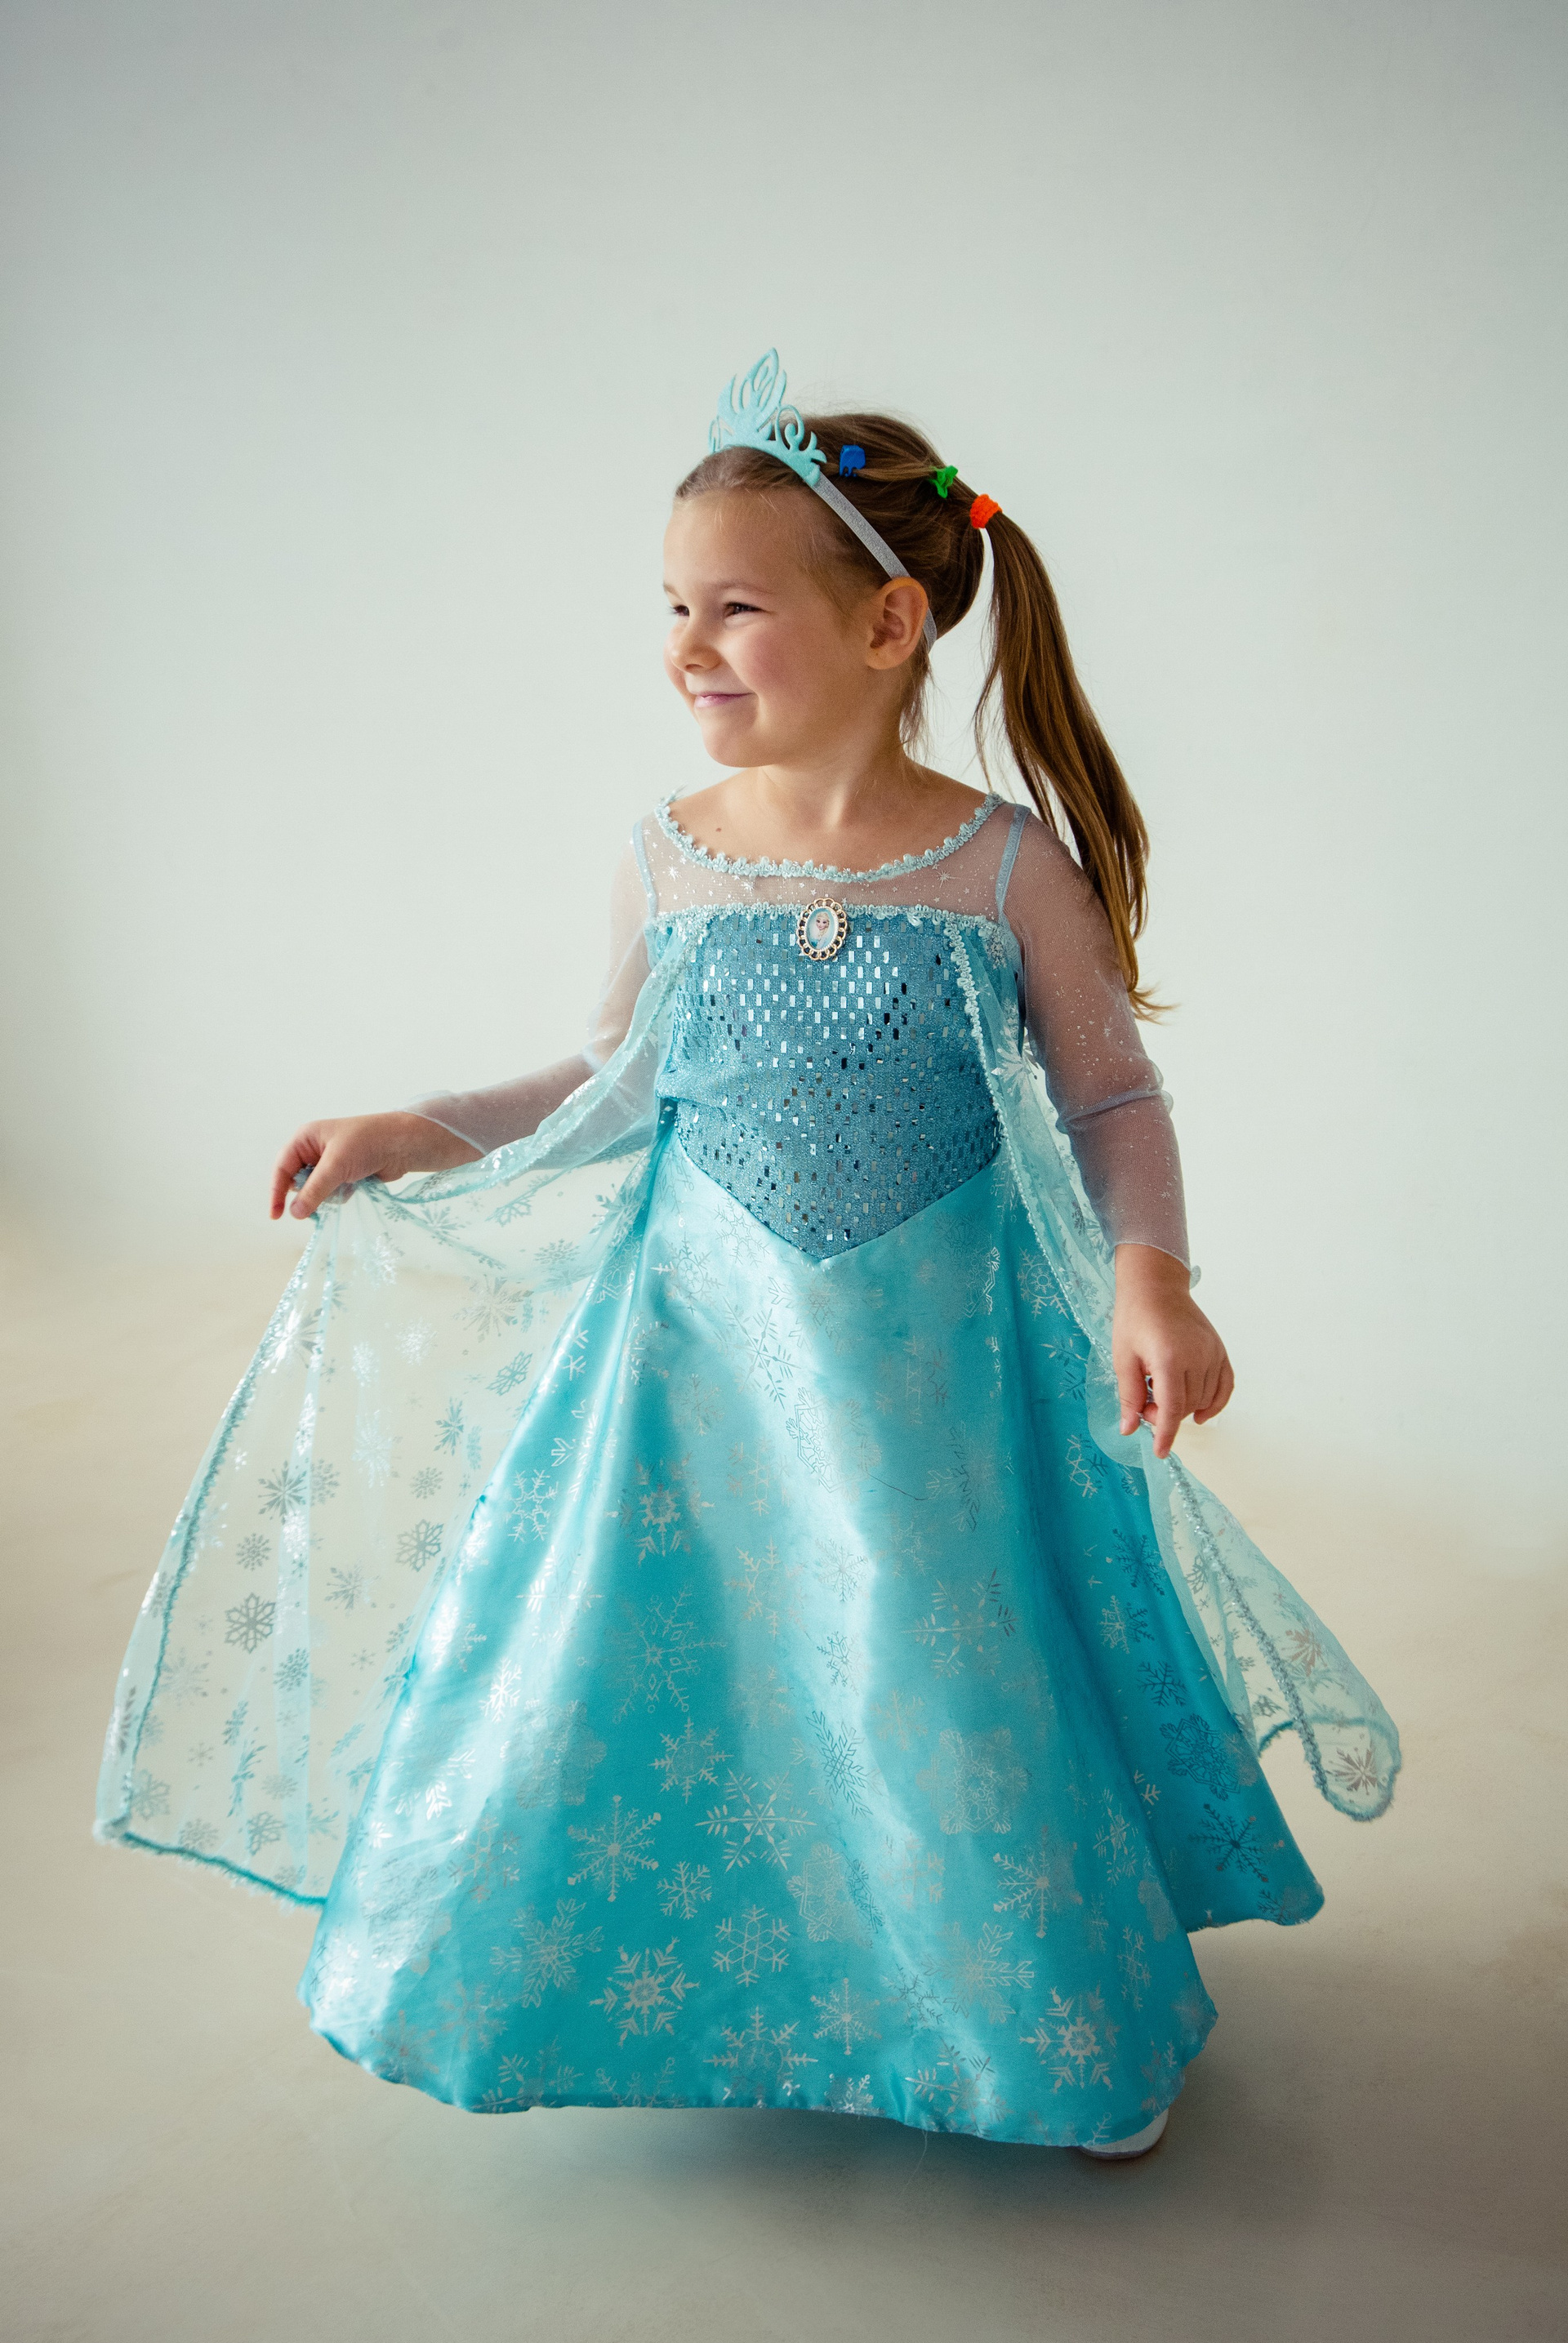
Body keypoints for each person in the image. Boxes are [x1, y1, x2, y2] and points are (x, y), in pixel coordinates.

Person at [97, 352, 1398, 2161]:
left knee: (933, 1672)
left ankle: (1029, 2021)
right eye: (671, 608)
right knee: (699, 1685)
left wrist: (1149, 1278)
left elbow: (1109, 1096)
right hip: (693, 1383)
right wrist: (418, 1127)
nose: (686, 647)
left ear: (887, 622)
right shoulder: (670, 856)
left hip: (929, 1388)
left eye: (732, 608)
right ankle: (735, 1987)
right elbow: (613, 1084)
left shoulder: (999, 867)